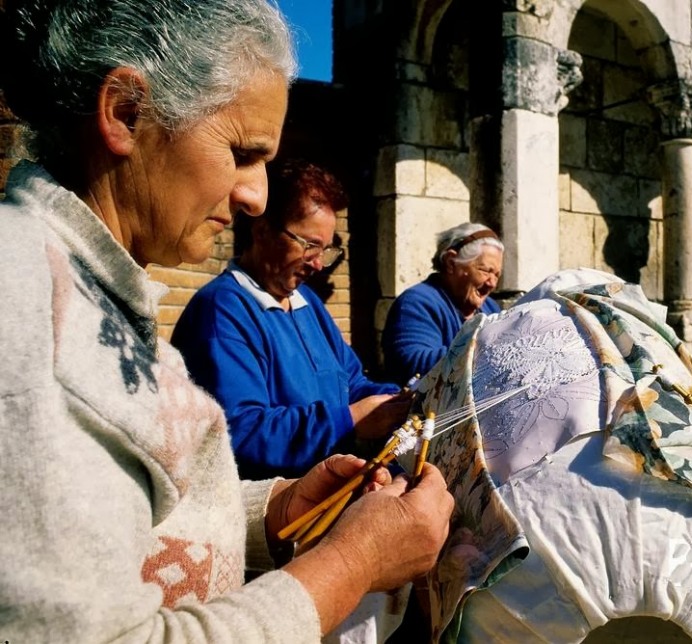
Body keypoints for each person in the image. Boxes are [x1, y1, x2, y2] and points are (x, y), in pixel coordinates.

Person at [0, 1, 454, 641]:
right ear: (126, 113)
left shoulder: (92, 298)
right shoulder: (32, 322)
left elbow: (144, 519)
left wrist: (276, 510)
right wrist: (352, 564)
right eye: (241, 152)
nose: (254, 196)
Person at [171, 158, 411, 480]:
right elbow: (241, 433)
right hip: (275, 510)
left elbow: (350, 382)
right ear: (263, 230)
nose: (318, 265)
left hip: (326, 485)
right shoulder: (221, 312)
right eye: (309, 246)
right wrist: (350, 420)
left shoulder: (304, 301)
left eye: (326, 249)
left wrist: (400, 399)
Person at [381, 222, 504, 385]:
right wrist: (488, 350)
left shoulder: (490, 307)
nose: (492, 283)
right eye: (485, 271)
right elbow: (414, 364)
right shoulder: (416, 303)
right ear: (451, 263)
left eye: (496, 275)